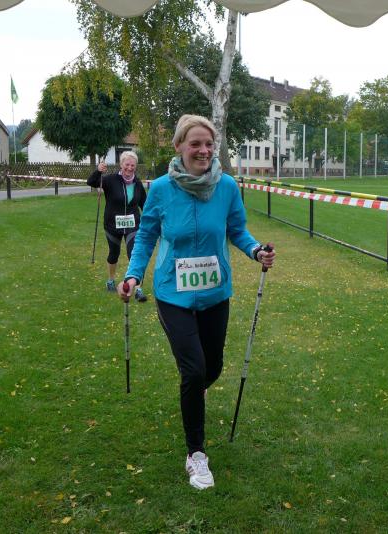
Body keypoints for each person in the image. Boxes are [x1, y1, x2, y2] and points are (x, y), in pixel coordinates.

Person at [118, 114, 276, 490]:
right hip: (173, 293)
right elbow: (147, 235)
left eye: (209, 144)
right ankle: (196, 454)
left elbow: (237, 230)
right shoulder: (161, 189)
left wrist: (256, 250)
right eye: (196, 144)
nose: (204, 150)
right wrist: (133, 274)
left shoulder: (226, 186)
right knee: (192, 371)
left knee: (212, 366)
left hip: (215, 293)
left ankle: (198, 389)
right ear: (179, 147)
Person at [87, 151, 148, 301]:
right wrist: (98, 171)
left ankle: (138, 288)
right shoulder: (110, 180)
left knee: (134, 253)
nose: (130, 168)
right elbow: (91, 182)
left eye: (133, 165)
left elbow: (144, 204)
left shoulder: (138, 183)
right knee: (114, 253)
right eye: (127, 164)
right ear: (121, 164)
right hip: (112, 225)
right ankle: (111, 280)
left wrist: (151, 219)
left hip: (133, 225)